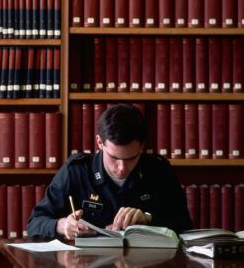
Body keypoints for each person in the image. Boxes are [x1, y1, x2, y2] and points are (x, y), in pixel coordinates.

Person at [27, 103, 193, 240]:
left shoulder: (160, 171)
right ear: (99, 142)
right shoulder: (76, 171)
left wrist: (148, 219)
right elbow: (35, 223)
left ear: (142, 146)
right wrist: (62, 226)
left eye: (131, 159)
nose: (122, 168)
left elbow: (185, 228)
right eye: (114, 158)